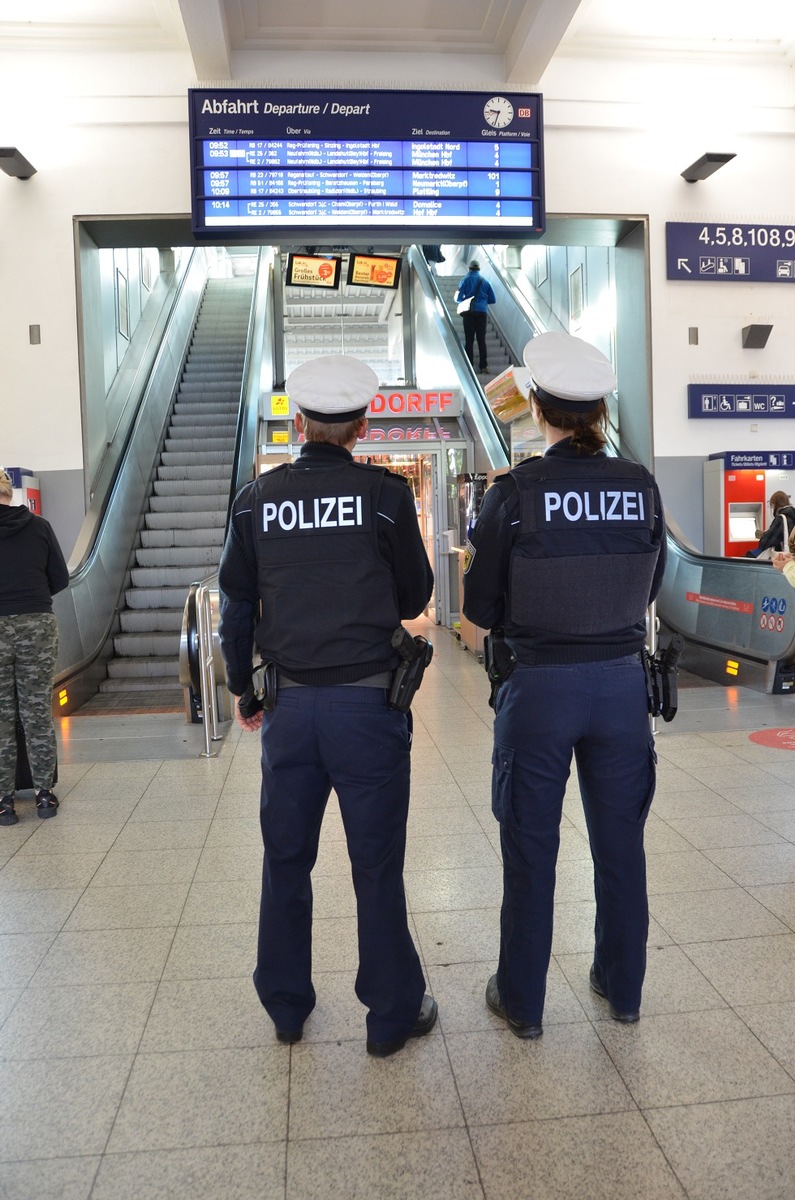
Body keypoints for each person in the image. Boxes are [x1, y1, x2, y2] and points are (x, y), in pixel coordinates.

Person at [217, 354, 437, 1056]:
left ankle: (285, 1007)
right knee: (375, 865)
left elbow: (236, 606)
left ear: (299, 421)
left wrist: (241, 687)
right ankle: (389, 1016)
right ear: (362, 424)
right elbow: (411, 599)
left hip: (289, 710)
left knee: (285, 860)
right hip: (369, 710)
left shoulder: (256, 499)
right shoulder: (383, 496)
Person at [462, 332, 667, 1037]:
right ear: (598, 410)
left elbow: (479, 608)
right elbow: (653, 584)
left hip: (539, 689)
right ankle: (623, 987)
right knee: (620, 847)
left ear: (539, 409)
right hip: (619, 688)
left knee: (530, 848)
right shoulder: (639, 483)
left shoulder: (515, 492)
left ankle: (521, 1003)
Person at [0, 468, 68, 826]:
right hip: (37, 624)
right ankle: (44, 795)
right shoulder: (39, 527)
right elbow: (59, 577)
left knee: (1, 716)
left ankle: (4, 802)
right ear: (9, 493)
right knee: (37, 709)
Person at [455, 259, 496, 375]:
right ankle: (484, 367)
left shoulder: (465, 280)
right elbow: (493, 299)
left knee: (469, 340)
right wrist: (482, 301)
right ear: (479, 269)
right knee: (481, 340)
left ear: (469, 268)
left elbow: (458, 299)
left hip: (469, 313)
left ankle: (470, 366)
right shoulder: (486, 281)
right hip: (482, 313)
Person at [746, 490, 795, 558]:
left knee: (749, 555)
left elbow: (767, 542)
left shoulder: (781, 518)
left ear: (775, 504)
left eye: (772, 505)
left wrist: (764, 535)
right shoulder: (792, 515)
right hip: (792, 557)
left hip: (783, 558)